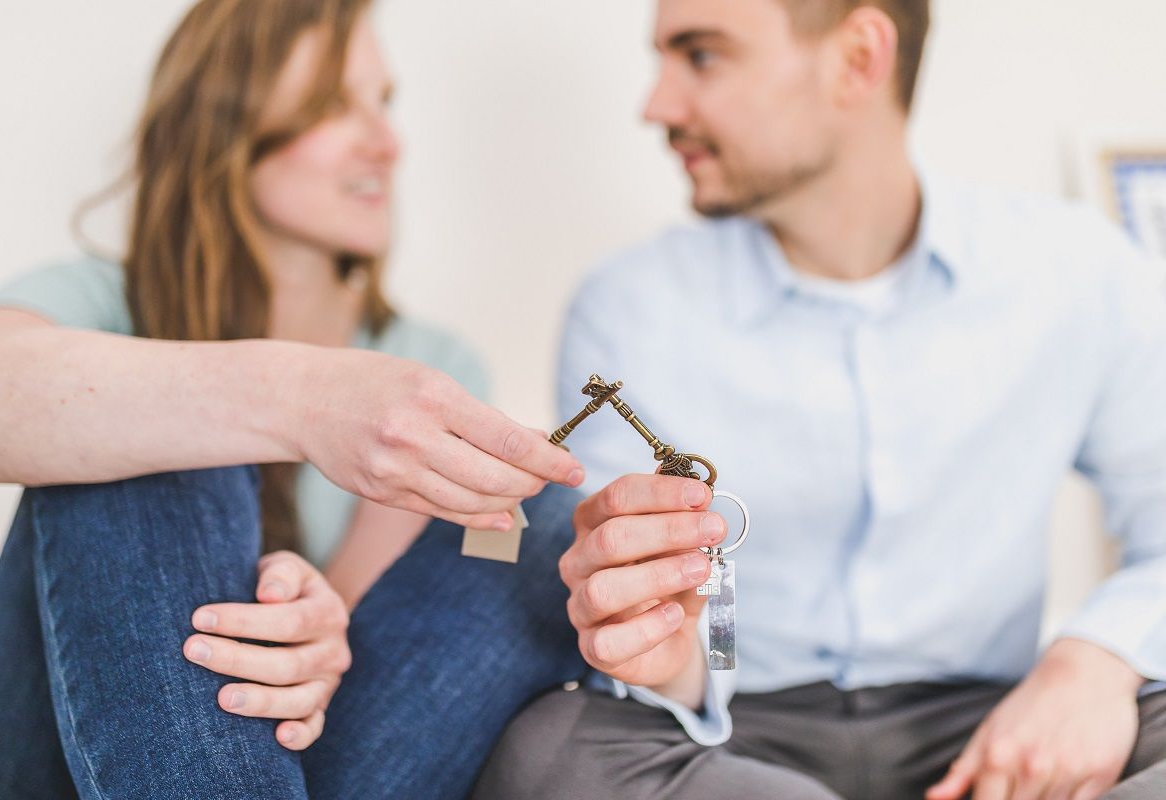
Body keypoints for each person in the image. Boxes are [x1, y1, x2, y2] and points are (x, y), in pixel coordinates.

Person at [475, 1, 1166, 799]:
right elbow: (674, 651)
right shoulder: (628, 307)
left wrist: (1095, 661)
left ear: (858, 58)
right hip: (732, 737)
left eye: (700, 56)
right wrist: (669, 657)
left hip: (991, 723)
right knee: (550, 754)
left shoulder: (1076, 273)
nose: (656, 105)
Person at [0, 0, 590, 796]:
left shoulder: (424, 366)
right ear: (222, 129)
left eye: (385, 101)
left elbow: (370, 661)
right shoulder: (91, 300)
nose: (388, 142)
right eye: (334, 104)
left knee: (536, 533)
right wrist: (299, 397)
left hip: (286, 757)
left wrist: (316, 637)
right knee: (148, 430)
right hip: (35, 764)